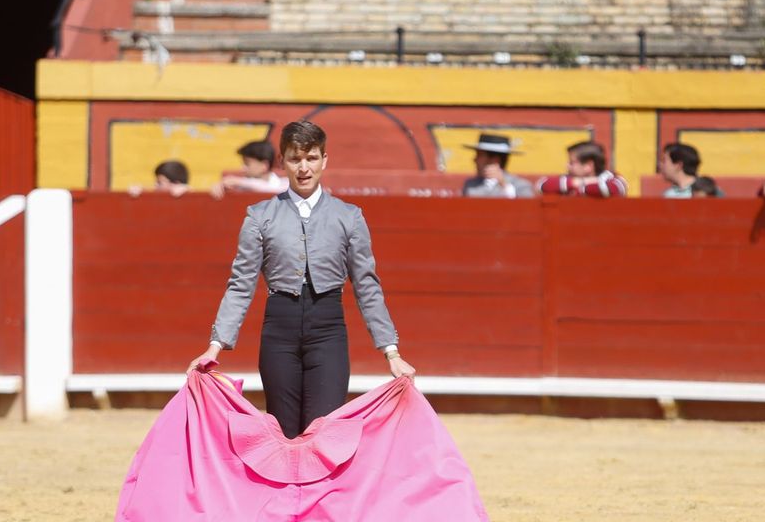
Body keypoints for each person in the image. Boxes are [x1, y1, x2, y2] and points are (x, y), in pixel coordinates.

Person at [188, 120, 414, 439]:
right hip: (279, 330)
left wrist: (391, 352)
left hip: (328, 330)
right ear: (282, 162)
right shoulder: (260, 216)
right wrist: (215, 347)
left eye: (311, 158)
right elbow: (241, 283)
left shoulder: (349, 217)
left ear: (324, 160)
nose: (304, 168)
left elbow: (367, 286)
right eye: (296, 159)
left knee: (323, 430)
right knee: (284, 431)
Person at [536, 141, 627, 197]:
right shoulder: (570, 179)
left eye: (572, 162)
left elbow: (612, 188)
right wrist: (577, 182)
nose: (567, 166)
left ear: (588, 166)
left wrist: (577, 187)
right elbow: (541, 185)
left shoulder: (611, 178)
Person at [460, 133, 534, 198]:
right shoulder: (470, 185)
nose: (475, 159)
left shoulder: (521, 186)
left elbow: (525, 210)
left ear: (494, 160)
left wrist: (504, 185)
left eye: (479, 155)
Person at [211, 139, 289, 199]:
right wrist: (219, 187)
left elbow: (271, 189)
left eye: (247, 164)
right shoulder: (242, 187)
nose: (243, 168)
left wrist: (238, 181)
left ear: (264, 165)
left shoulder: (286, 184)